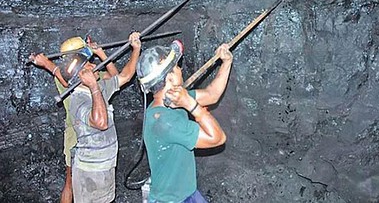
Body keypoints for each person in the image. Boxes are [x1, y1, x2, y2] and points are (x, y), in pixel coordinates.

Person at [30, 32, 141, 202]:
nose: (93, 64)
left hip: (102, 162)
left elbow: (120, 76)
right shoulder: (75, 90)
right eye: (87, 60)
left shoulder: (93, 81)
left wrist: (132, 49)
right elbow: (70, 82)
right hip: (77, 138)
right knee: (70, 182)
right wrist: (47, 64)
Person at [136, 40, 233, 202]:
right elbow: (218, 138)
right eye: (176, 66)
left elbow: (212, 94)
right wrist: (191, 105)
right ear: (170, 78)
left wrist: (226, 62)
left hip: (187, 193)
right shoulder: (164, 121)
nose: (180, 68)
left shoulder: (173, 99)